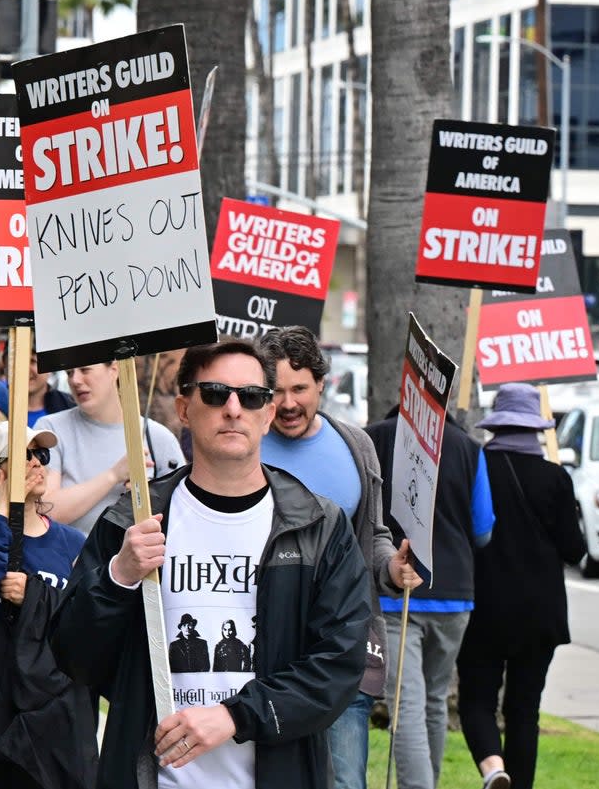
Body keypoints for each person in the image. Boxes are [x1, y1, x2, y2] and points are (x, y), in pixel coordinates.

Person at [53, 340, 371, 789]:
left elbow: (338, 663)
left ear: (267, 413)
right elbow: (74, 655)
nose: (234, 409)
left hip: (278, 771)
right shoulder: (133, 521)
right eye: (216, 393)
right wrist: (118, 577)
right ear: (184, 409)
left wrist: (234, 716)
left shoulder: (318, 526)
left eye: (253, 396)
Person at [259, 326, 422, 789]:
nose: (288, 403)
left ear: (321, 385)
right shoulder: (242, 444)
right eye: (275, 391)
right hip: (264, 651)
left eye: (299, 389)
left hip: (344, 645)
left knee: (345, 781)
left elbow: (373, 535)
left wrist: (393, 568)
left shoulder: (356, 445)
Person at [0, 421, 92, 786]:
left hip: (46, 715)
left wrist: (37, 596)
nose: (37, 463)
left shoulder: (72, 542)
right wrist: (2, 514)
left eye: (40, 454)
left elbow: (87, 618)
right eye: (24, 457)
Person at [456, 384, 585, 789]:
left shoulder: (474, 468)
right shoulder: (555, 477)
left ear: (497, 425)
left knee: (477, 701)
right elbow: (574, 550)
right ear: (535, 428)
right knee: (525, 710)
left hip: (482, 608)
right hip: (538, 614)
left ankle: (494, 769)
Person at [366, 408, 495, 789]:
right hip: (454, 596)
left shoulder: (373, 439)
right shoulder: (470, 449)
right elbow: (483, 528)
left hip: (396, 593)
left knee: (405, 706)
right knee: (434, 701)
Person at [36, 361, 184, 535]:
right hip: (65, 559)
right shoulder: (50, 429)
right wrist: (113, 475)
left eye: (85, 369)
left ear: (114, 369)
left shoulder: (158, 437)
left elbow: (182, 517)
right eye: (69, 373)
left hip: (134, 558)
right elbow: (44, 510)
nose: (75, 380)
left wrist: (146, 497)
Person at [27, 348, 74, 426]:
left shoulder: (69, 405)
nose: (25, 369)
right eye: (19, 362)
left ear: (48, 367)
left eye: (32, 361)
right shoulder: (2, 407)